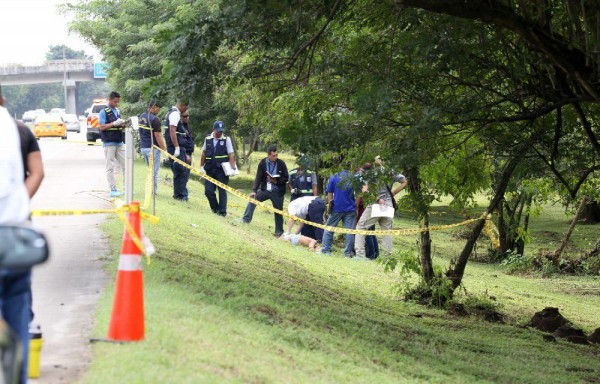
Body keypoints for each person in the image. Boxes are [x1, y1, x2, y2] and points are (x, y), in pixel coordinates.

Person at [0, 85, 34, 384]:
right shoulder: (16, 129)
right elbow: (37, 172)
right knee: (18, 317)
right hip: (17, 235)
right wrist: (19, 204)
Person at [354, 158, 408, 260]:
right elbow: (405, 181)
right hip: (388, 204)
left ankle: (360, 255)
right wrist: (394, 193)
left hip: (376, 203)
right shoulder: (390, 171)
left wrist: (378, 199)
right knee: (386, 232)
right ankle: (386, 258)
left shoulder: (369, 173)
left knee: (361, 227)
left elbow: (365, 190)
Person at [242, 145, 289, 237]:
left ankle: (279, 232)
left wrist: (276, 181)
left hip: (277, 191)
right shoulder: (263, 163)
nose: (275, 157)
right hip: (265, 189)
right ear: (268, 155)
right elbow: (258, 177)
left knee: (278, 211)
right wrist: (254, 190)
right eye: (273, 155)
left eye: (276, 155)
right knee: (253, 199)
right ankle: (245, 219)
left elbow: (286, 177)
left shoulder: (281, 163)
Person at [200, 121, 236, 216]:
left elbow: (231, 154)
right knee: (208, 191)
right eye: (218, 131)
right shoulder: (207, 139)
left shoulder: (226, 139)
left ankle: (222, 212)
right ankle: (215, 209)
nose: (220, 133)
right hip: (210, 170)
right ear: (214, 130)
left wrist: (233, 168)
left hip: (222, 171)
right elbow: (203, 153)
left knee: (222, 191)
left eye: (221, 131)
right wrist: (201, 166)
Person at [318, 170, 357, 256]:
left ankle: (326, 250)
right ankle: (348, 253)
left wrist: (330, 205)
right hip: (351, 209)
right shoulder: (354, 177)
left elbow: (330, 193)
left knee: (329, 229)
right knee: (349, 232)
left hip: (337, 207)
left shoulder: (334, 176)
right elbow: (358, 194)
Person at [98, 91, 127, 198]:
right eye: (115, 101)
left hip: (119, 141)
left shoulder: (116, 111)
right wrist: (114, 123)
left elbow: (118, 125)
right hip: (109, 142)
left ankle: (126, 188)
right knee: (110, 166)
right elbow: (101, 127)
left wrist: (123, 124)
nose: (116, 103)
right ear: (109, 100)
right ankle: (113, 189)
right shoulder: (103, 112)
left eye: (118, 102)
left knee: (126, 164)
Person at [138, 99, 166, 195]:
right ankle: (153, 191)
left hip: (143, 148)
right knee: (154, 171)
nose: (159, 110)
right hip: (152, 149)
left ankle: (150, 189)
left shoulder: (141, 117)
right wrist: (164, 149)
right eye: (158, 108)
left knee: (150, 170)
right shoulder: (155, 119)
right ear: (154, 107)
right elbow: (158, 136)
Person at [164, 100, 190, 201]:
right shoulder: (175, 114)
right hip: (176, 147)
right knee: (181, 172)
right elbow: (172, 130)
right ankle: (181, 195)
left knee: (178, 171)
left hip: (173, 146)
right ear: (181, 105)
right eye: (185, 107)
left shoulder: (171, 112)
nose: (186, 110)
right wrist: (177, 147)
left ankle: (178, 194)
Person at [180, 112, 195, 190]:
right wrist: (185, 154)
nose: (187, 117)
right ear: (180, 117)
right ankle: (182, 193)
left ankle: (183, 189)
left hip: (189, 153)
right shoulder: (180, 127)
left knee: (187, 175)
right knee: (183, 174)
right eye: (185, 116)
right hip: (184, 153)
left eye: (188, 116)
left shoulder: (187, 127)